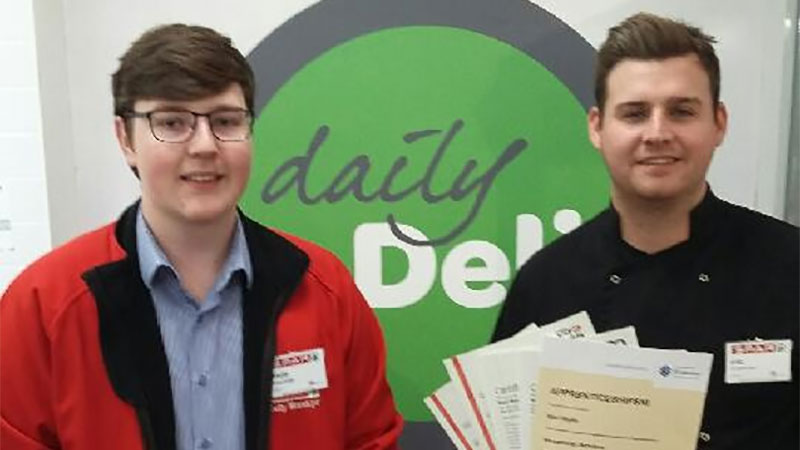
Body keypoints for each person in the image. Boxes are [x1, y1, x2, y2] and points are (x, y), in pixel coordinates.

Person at [1, 24, 402, 450]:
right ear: (125, 139)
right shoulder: (44, 304)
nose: (205, 146)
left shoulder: (325, 289)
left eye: (226, 121)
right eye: (172, 123)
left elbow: (371, 440)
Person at [492, 12, 798, 450]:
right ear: (597, 127)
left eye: (681, 111)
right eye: (634, 114)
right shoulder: (545, 283)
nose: (657, 133)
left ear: (719, 123)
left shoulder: (789, 268)